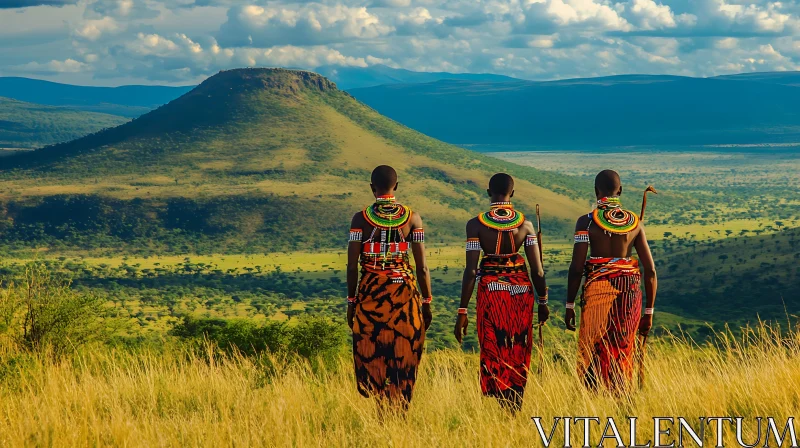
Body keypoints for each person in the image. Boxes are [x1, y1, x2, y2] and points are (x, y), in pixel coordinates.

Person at [454, 173, 549, 413]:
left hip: (491, 292)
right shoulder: (526, 225)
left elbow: (471, 270)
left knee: (494, 346)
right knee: (518, 346)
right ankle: (515, 405)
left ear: (488, 193)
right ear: (513, 193)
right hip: (521, 293)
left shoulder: (475, 225)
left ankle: (500, 404)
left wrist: (462, 310)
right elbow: (537, 271)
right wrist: (543, 301)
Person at [346, 165, 433, 407]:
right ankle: (398, 411)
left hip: (369, 296)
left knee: (372, 355)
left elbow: (352, 268)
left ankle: (381, 409)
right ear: (396, 186)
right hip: (405, 296)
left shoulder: (359, 219)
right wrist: (426, 302)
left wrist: (351, 303)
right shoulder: (413, 218)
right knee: (404, 356)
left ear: (372, 188)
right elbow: (422, 268)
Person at [565, 169, 657, 393]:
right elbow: (651, 270)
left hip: (598, 292)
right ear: (621, 191)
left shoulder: (585, 223)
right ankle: (621, 398)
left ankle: (593, 399)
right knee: (622, 347)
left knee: (593, 346)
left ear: (596, 191)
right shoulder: (635, 223)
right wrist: (649, 312)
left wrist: (569, 305)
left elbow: (577, 268)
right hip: (630, 294)